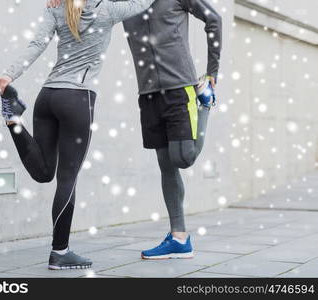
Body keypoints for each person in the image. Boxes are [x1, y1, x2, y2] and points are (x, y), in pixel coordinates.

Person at [48, 0, 222, 260]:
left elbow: (214, 19)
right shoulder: (123, 3)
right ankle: (179, 238)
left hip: (180, 88)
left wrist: (212, 73)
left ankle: (206, 103)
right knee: (166, 164)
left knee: (183, 157)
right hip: (148, 93)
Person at [0, 0, 157, 270]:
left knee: (44, 172)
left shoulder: (56, 7)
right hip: (77, 99)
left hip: (47, 97)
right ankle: (60, 251)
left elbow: (37, 44)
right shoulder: (108, 10)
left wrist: (8, 75)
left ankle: (13, 118)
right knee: (67, 179)